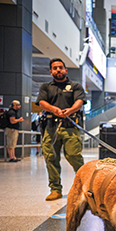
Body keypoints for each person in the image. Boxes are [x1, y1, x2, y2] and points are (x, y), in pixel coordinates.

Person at [36, 58, 86, 201]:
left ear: (66, 70)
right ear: (51, 71)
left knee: (74, 156)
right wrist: (54, 109)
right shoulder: (46, 87)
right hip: (51, 128)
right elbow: (41, 102)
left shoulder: (75, 86)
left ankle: (84, 186)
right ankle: (55, 189)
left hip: (70, 127)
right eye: (55, 68)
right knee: (51, 158)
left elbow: (80, 101)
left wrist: (70, 110)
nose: (58, 70)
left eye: (61, 67)